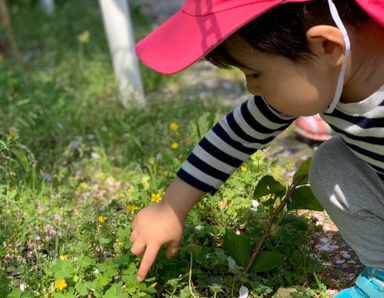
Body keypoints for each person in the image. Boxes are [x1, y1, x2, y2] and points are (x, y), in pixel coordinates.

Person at [130, 0, 384, 296]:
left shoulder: (321, 74)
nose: (251, 89)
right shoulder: (325, 73)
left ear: (327, 46)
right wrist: (171, 209)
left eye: (255, 74)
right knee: (333, 162)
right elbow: (236, 135)